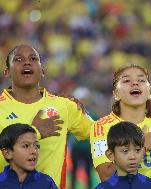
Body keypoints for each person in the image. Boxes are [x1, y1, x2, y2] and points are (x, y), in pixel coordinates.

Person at [0, 44, 94, 189]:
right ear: (7, 72)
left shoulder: (64, 106)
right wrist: (35, 133)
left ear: (42, 71)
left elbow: (101, 132)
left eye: (33, 58)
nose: (27, 62)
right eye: (18, 59)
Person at [91, 64, 151, 189]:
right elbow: (106, 176)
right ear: (116, 94)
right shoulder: (102, 127)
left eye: (141, 80)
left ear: (149, 92)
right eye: (126, 80)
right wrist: (142, 146)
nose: (135, 84)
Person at [95, 121, 151, 189]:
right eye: (125, 151)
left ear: (143, 152)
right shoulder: (103, 188)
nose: (132, 156)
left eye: (137, 150)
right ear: (111, 155)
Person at [0, 123, 58, 189]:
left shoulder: (47, 182)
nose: (34, 151)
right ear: (7, 153)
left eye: (37, 146)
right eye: (26, 146)